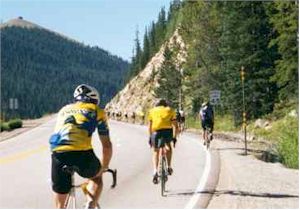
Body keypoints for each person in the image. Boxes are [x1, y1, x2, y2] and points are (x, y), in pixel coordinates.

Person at [49, 84, 112, 208]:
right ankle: (90, 203)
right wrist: (104, 167)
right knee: (96, 178)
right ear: (95, 100)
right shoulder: (96, 111)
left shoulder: (64, 110)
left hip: (58, 153)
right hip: (82, 153)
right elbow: (107, 146)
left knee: (60, 191)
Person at [148, 99, 179, 184]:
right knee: (169, 147)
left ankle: (155, 171)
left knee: (155, 151)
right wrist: (174, 137)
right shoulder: (170, 110)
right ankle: (169, 166)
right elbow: (175, 126)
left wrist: (150, 138)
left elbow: (150, 127)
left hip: (156, 132)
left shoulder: (152, 111)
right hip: (167, 132)